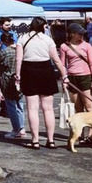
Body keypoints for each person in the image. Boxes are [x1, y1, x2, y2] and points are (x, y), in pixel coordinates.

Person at [16, 17, 69, 150]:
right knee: (48, 108)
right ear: (41, 26)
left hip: (28, 71)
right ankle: (51, 140)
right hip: (46, 71)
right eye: (45, 26)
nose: (46, 28)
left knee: (32, 109)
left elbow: (18, 59)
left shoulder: (22, 38)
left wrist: (18, 75)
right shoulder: (47, 39)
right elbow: (56, 60)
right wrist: (64, 75)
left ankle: (35, 141)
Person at [59, 23, 92, 144]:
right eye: (79, 33)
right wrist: (64, 79)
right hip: (72, 78)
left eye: (82, 34)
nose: (81, 36)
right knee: (78, 108)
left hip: (86, 77)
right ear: (72, 34)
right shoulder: (64, 46)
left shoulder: (87, 46)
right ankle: (80, 134)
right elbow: (62, 64)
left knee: (89, 106)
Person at [0, 33, 25, 139]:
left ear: (3, 41)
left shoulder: (2, 52)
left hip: (7, 79)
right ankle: (21, 127)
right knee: (20, 104)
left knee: (11, 105)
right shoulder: (20, 50)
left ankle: (16, 129)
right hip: (20, 78)